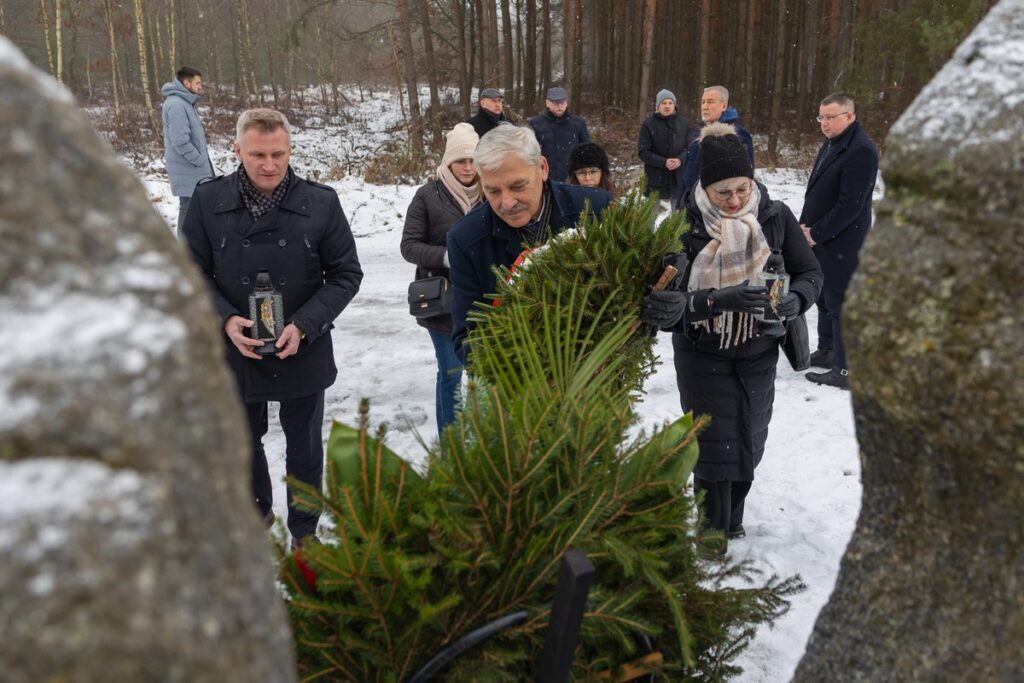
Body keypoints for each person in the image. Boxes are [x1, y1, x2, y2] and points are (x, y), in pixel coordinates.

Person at [181, 108, 363, 550]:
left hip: (303, 344)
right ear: (237, 150)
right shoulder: (208, 201)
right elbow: (187, 271)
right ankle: (258, 516)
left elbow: (346, 274)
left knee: (304, 444)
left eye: (278, 154)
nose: (269, 165)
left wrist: (305, 323)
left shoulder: (320, 202)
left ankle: (304, 531)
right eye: (258, 154)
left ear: (290, 151)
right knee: (244, 440)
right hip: (236, 346)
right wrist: (224, 318)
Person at [653, 122, 822, 545]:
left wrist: (796, 301)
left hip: (759, 349)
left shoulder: (775, 215)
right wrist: (719, 301)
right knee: (712, 445)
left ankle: (735, 518)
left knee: (749, 438)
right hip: (702, 351)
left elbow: (810, 273)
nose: (734, 200)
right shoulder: (683, 224)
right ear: (704, 190)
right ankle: (711, 529)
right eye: (723, 193)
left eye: (742, 189)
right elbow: (663, 308)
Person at [447, 124, 613, 363]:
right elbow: (469, 338)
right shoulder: (465, 239)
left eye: (517, 186)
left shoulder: (594, 210)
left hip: (601, 380)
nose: (507, 202)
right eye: (492, 191)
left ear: (542, 168)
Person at [400, 123, 481, 437]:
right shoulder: (428, 196)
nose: (468, 167)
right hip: (442, 303)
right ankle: (451, 447)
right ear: (448, 162)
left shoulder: (491, 191)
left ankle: (479, 444)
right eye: (461, 160)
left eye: (473, 160)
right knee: (451, 373)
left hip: (482, 301)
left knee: (480, 378)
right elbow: (409, 246)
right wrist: (447, 256)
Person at [800, 93, 879, 390]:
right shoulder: (833, 142)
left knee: (841, 303)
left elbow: (850, 205)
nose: (824, 123)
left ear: (849, 116)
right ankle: (828, 349)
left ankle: (845, 369)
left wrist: (816, 233)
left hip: (842, 242)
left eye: (830, 117)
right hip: (821, 238)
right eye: (821, 117)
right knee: (824, 297)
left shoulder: (861, 150)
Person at [676, 85, 755, 206]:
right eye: (702, 102)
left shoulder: (737, 136)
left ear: (724, 106)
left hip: (718, 209)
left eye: (710, 102)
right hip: (691, 206)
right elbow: (686, 174)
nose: (705, 106)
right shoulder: (696, 135)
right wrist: (680, 204)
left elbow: (744, 179)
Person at [161, 66, 215, 236]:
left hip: (190, 168)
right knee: (188, 207)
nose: (200, 86)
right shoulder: (177, 105)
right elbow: (180, 140)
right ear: (187, 83)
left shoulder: (184, 102)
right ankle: (185, 249)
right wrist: (199, 160)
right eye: (198, 83)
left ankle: (195, 245)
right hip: (188, 167)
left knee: (196, 207)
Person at [637, 89, 692, 202]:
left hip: (678, 177)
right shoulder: (648, 124)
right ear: (658, 106)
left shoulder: (684, 123)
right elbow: (643, 152)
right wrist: (663, 162)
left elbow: (690, 148)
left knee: (679, 217)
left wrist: (680, 160)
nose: (667, 106)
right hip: (655, 178)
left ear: (675, 105)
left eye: (670, 103)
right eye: (663, 103)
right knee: (649, 217)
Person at [528, 86, 591, 183]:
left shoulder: (578, 123)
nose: (560, 106)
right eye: (556, 103)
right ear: (547, 103)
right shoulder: (536, 124)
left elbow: (587, 151)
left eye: (562, 102)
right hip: (545, 179)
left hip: (572, 178)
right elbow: (530, 153)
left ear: (566, 103)